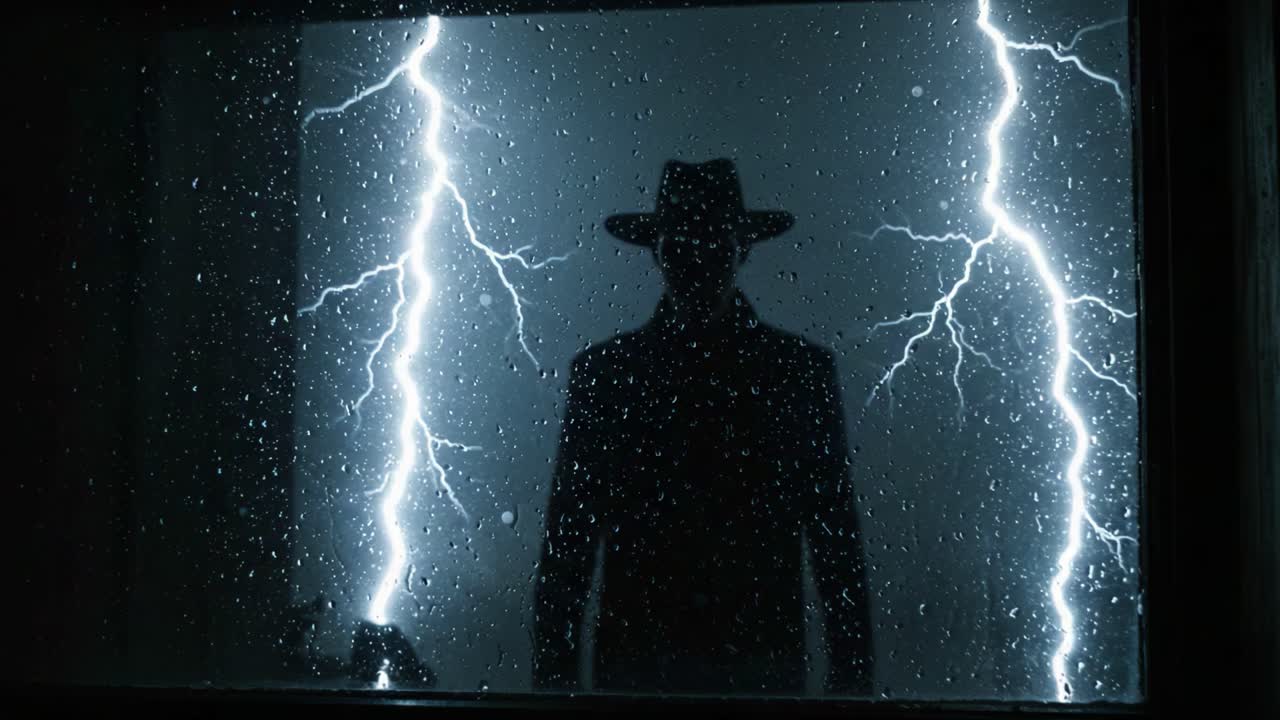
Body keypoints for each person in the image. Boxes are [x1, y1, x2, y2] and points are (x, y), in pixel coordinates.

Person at [532, 159, 873, 696]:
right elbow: (567, 545)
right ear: (659, 252)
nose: (697, 258)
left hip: (757, 672)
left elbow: (835, 537)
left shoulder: (797, 373)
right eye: (682, 242)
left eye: (711, 240)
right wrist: (552, 687)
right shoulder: (606, 377)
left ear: (740, 248)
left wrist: (854, 686)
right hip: (641, 673)